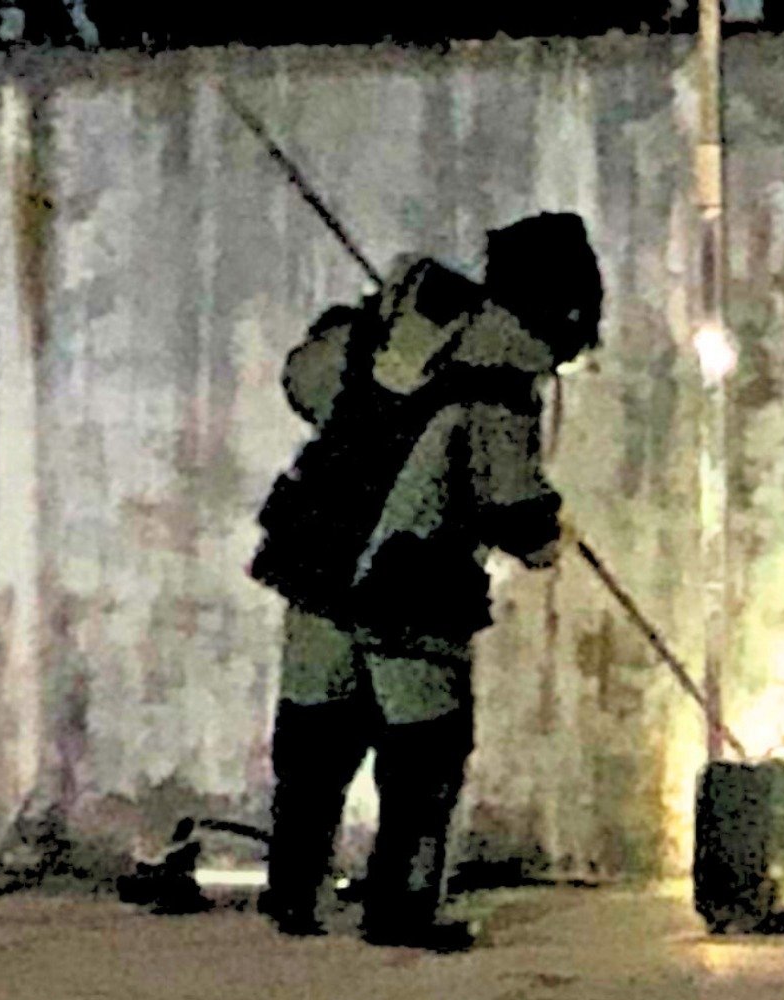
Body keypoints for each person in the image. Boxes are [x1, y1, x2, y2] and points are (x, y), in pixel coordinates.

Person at [247, 212, 602, 952]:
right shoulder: (504, 369)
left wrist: (361, 341)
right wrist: (549, 537)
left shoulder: (388, 323)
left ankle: (291, 894)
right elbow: (508, 501)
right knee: (425, 755)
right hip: (410, 588)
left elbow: (302, 384)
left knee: (313, 747)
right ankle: (400, 910)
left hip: (315, 563)